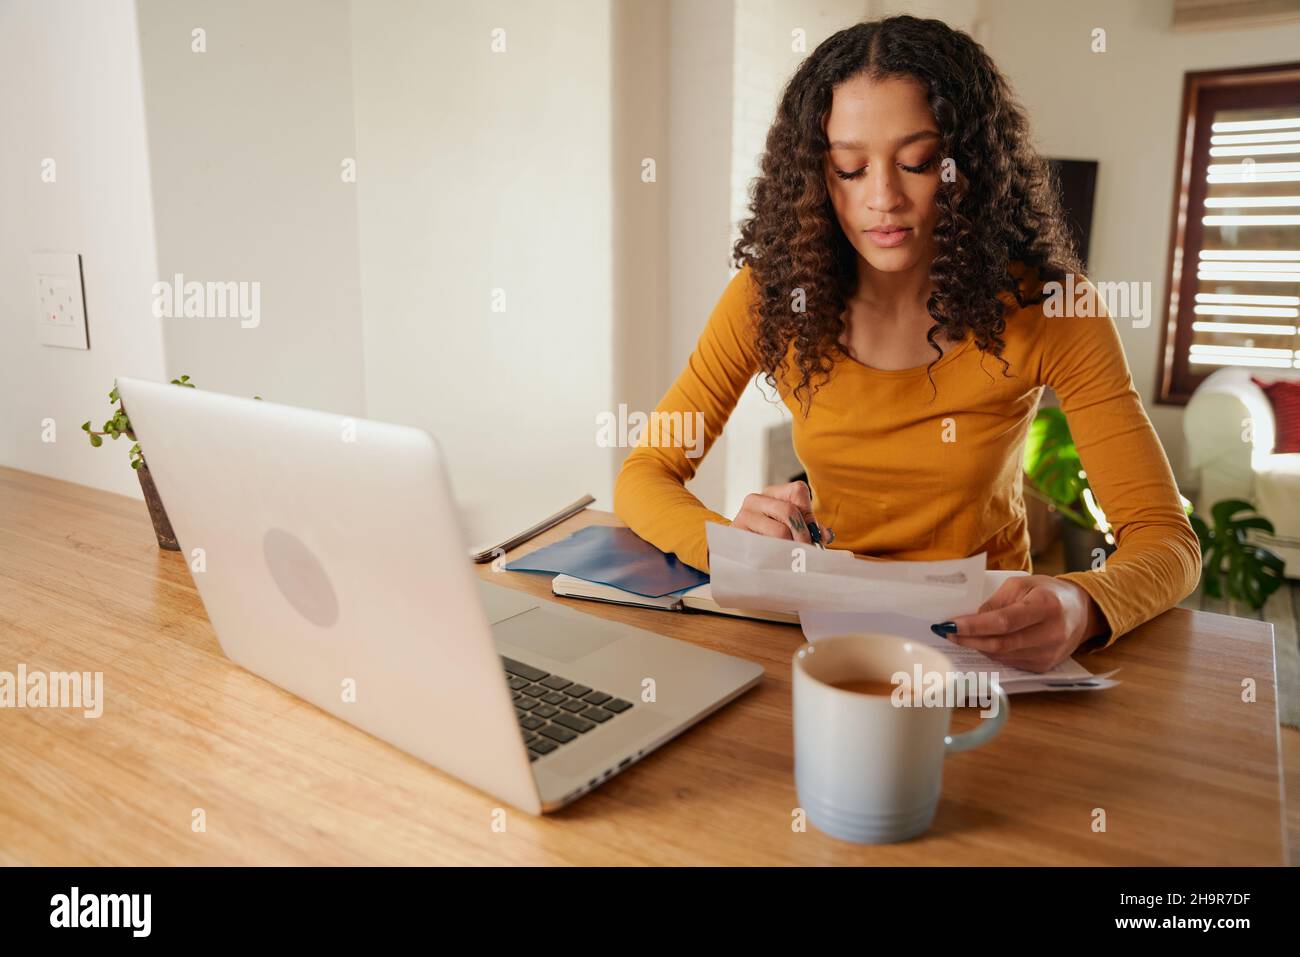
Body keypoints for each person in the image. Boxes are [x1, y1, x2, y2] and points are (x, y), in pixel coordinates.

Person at [612, 15, 1200, 673]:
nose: (883, 198)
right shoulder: (768, 298)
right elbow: (645, 473)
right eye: (850, 168)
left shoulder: (1056, 309)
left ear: (968, 165)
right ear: (815, 174)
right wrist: (732, 546)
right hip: (821, 630)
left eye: (917, 162)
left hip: (986, 639)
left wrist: (1083, 603)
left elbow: (1165, 539)